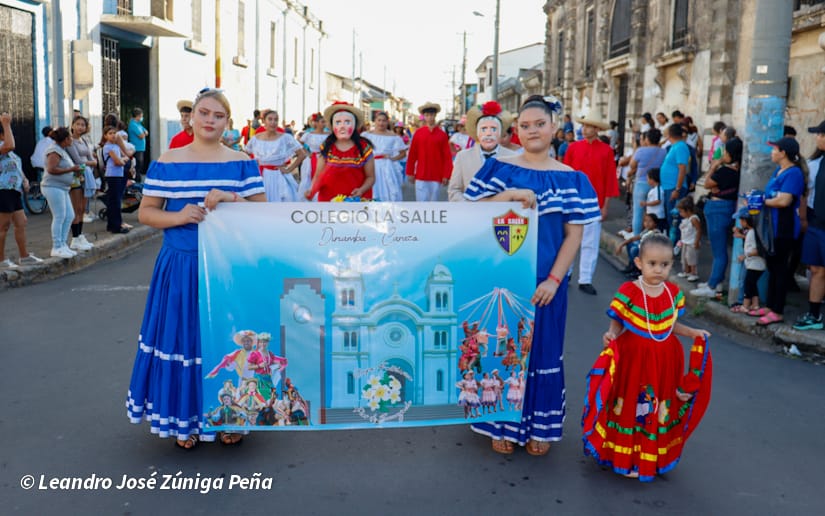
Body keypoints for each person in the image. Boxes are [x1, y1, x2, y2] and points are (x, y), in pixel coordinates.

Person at [126, 88, 266, 449]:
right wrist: (179, 215)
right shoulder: (168, 161)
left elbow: (263, 213)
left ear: (227, 122)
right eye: (203, 113)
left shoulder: (242, 161)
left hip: (228, 268)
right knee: (182, 339)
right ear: (190, 117)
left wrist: (231, 197)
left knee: (226, 341)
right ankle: (183, 421)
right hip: (181, 265)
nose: (209, 120)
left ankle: (230, 417)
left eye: (218, 116)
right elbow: (146, 212)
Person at [465, 94, 600, 456]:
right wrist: (507, 195)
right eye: (524, 126)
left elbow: (574, 235)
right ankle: (500, 424)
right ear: (516, 131)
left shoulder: (573, 180)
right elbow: (468, 211)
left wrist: (554, 280)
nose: (532, 131)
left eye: (539, 124)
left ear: (555, 127)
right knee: (502, 350)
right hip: (502, 279)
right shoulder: (499, 170)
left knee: (543, 350)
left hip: (547, 284)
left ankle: (540, 424)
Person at [582, 232, 712, 481]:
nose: (658, 270)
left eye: (664, 265)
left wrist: (693, 332)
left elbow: (671, 325)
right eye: (652, 264)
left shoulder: (673, 293)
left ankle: (649, 457)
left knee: (657, 408)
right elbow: (617, 322)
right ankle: (626, 456)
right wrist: (610, 335)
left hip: (664, 363)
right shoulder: (630, 291)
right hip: (633, 362)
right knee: (633, 403)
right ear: (639, 263)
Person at [751, 137, 807, 326]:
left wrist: (761, 202)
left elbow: (784, 201)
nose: (771, 153)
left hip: (784, 227)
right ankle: (770, 306)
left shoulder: (794, 173)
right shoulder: (779, 170)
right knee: (773, 268)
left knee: (780, 269)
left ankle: (778, 310)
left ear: (783, 153)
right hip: (772, 226)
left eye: (774, 149)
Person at [563, 116, 620, 295]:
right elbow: (565, 174)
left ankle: (585, 279)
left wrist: (606, 206)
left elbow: (610, 178)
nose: (585, 129)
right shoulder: (573, 148)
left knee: (590, 242)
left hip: (595, 202)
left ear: (597, 130)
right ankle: (566, 273)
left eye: (589, 126)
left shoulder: (607, 151)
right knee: (568, 239)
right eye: (584, 126)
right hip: (573, 201)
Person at [691, 138, 742, 297]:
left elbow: (707, 184)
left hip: (718, 209)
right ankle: (716, 282)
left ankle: (712, 286)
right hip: (725, 208)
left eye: (725, 151)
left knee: (718, 251)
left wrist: (713, 167)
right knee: (719, 249)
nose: (723, 154)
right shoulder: (738, 172)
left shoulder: (725, 171)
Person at [307, 101, 375, 201]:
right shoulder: (327, 146)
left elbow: (371, 177)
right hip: (328, 200)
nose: (342, 126)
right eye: (338, 122)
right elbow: (318, 175)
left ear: (354, 124)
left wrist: (361, 190)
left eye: (347, 122)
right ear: (333, 125)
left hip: (355, 200)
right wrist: (311, 191)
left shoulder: (364, 148)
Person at [447, 101, 514, 202]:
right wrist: (470, 207)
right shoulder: (463, 157)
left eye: (493, 129)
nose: (488, 133)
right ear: (477, 134)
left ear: (500, 133)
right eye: (483, 129)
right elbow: (454, 190)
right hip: (471, 215)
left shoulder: (512, 157)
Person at [794, 120, 825, 330]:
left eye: (821, 135)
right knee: (815, 269)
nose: (818, 138)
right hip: (816, 224)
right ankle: (814, 315)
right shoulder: (816, 164)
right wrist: (804, 219)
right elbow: (807, 194)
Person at [0, 112, 42, 267]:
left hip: (13, 190)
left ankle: (24, 256)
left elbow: (16, 167)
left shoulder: (9, 153)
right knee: (2, 226)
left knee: (21, 222)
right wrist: (6, 123)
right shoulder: (4, 147)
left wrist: (24, 179)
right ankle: (1, 260)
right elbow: (10, 144)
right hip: (3, 190)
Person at [245, 109, 306, 202]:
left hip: (279, 177)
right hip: (261, 177)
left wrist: (289, 169)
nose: (273, 122)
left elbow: (302, 154)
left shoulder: (286, 138)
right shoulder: (255, 139)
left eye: (276, 119)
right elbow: (245, 154)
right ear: (264, 121)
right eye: (270, 119)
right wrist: (253, 166)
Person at [41, 127, 83, 258]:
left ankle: (63, 244)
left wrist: (74, 171)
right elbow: (51, 169)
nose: (71, 139)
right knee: (59, 216)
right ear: (65, 139)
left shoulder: (62, 150)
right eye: (70, 137)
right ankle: (56, 246)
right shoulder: (54, 151)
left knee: (69, 216)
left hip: (62, 188)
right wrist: (71, 169)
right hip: (53, 187)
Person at [405, 102, 451, 201]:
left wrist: (446, 175)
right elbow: (412, 154)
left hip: (436, 175)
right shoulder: (418, 133)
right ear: (424, 116)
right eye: (427, 115)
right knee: (421, 205)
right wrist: (410, 172)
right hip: (421, 175)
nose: (429, 117)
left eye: (431, 115)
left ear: (435, 115)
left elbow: (447, 157)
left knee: (433, 204)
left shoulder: (442, 135)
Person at [66, 115, 97, 250]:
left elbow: (90, 157)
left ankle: (79, 236)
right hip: (76, 176)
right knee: (76, 208)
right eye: (77, 124)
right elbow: (78, 160)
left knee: (82, 209)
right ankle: (74, 237)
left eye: (83, 125)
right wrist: (91, 162)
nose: (80, 127)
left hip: (87, 175)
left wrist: (90, 162)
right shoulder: (70, 141)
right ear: (72, 125)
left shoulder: (83, 140)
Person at [628, 129, 667, 235]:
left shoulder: (640, 151)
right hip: (657, 184)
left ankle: (636, 238)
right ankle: (655, 236)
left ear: (647, 139)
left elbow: (632, 165)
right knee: (655, 212)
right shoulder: (663, 151)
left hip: (641, 183)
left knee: (638, 212)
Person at [366, 111, 406, 202]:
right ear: (375, 121)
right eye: (379, 120)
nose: (381, 123)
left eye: (384, 121)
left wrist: (392, 159)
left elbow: (402, 153)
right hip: (371, 166)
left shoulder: (393, 136)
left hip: (387, 167)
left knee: (389, 190)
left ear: (387, 122)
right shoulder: (367, 135)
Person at [731, 210, 765, 314]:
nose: (740, 222)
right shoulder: (753, 231)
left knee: (748, 284)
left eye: (741, 220)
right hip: (754, 264)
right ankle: (755, 305)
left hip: (755, 264)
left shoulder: (752, 233)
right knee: (752, 284)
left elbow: (756, 250)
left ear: (746, 221)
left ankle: (745, 305)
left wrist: (745, 256)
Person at [660, 124, 691, 237]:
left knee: (674, 219)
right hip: (669, 187)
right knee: (670, 218)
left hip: (675, 188)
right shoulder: (675, 146)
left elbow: (682, 169)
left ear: (670, 134)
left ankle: (674, 245)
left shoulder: (681, 147)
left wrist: (677, 189)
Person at [100, 126, 131, 235]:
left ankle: (113, 225)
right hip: (112, 175)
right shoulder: (108, 147)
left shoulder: (116, 146)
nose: (113, 135)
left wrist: (122, 160)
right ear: (105, 136)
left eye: (114, 133)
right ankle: (115, 226)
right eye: (110, 133)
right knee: (115, 202)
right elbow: (119, 162)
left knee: (116, 200)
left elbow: (126, 157)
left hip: (118, 175)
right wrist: (122, 160)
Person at [615, 213, 661, 278]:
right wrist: (621, 245)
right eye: (645, 221)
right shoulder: (646, 231)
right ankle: (631, 266)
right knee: (630, 244)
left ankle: (637, 270)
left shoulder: (655, 232)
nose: (647, 223)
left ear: (655, 223)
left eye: (650, 221)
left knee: (634, 249)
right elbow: (633, 238)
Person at [297, 113, 329, 201]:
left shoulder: (328, 134)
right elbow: (299, 144)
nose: (324, 124)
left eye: (325, 122)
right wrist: (307, 153)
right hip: (312, 159)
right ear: (317, 123)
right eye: (322, 122)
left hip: (326, 159)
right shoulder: (309, 134)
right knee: (309, 178)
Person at [675, 196, 701, 282]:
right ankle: (687, 271)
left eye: (681, 212)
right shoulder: (686, 219)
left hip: (692, 242)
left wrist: (696, 241)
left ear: (688, 210)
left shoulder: (693, 219)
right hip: (685, 241)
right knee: (685, 258)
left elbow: (698, 230)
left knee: (691, 258)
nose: (680, 214)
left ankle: (694, 273)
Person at [128, 107, 149, 180]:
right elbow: (141, 135)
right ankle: (136, 181)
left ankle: (138, 180)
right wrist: (144, 133)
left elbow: (146, 132)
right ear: (137, 116)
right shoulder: (133, 124)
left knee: (140, 166)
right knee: (137, 166)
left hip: (141, 148)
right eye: (141, 116)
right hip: (136, 149)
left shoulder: (139, 124)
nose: (142, 118)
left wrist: (144, 133)